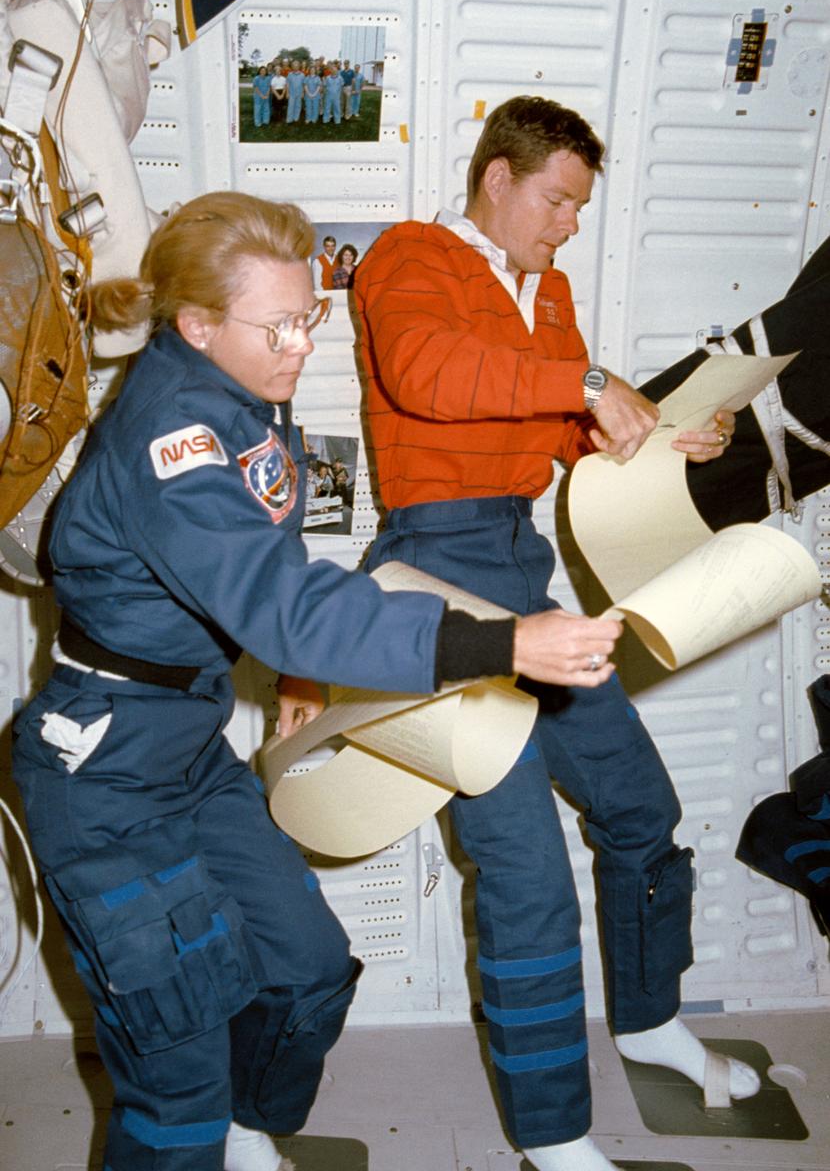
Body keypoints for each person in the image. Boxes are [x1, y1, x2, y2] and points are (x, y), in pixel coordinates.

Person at [11, 189, 624, 1171]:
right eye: (279, 325)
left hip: (188, 744)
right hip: (104, 768)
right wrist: (499, 641)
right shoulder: (178, 440)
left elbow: (278, 537)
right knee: (176, 1066)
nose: (301, 343)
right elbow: (285, 601)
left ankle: (243, 1132)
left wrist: (295, 673)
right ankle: (198, 1133)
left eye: (310, 315)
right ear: (195, 323)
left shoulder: (251, 386)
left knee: (301, 971)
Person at [354, 96, 758, 1171]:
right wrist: (584, 382)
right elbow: (426, 376)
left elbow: (562, 437)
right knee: (524, 865)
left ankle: (644, 1019)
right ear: (497, 176)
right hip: (431, 575)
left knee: (638, 806)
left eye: (579, 206)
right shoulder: (410, 254)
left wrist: (663, 431)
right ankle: (551, 1136)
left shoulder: (553, 291)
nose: (568, 223)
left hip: (523, 570)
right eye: (557, 200)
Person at [285, 60, 305, 124]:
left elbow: (303, 84)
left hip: (299, 93)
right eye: (294, 65)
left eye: (297, 65)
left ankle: (296, 118)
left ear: (299, 66)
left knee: (298, 105)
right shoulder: (289, 74)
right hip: (291, 93)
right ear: (292, 66)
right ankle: (289, 119)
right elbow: (287, 84)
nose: (295, 66)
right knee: (291, 106)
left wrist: (302, 93)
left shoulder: (302, 75)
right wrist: (287, 93)